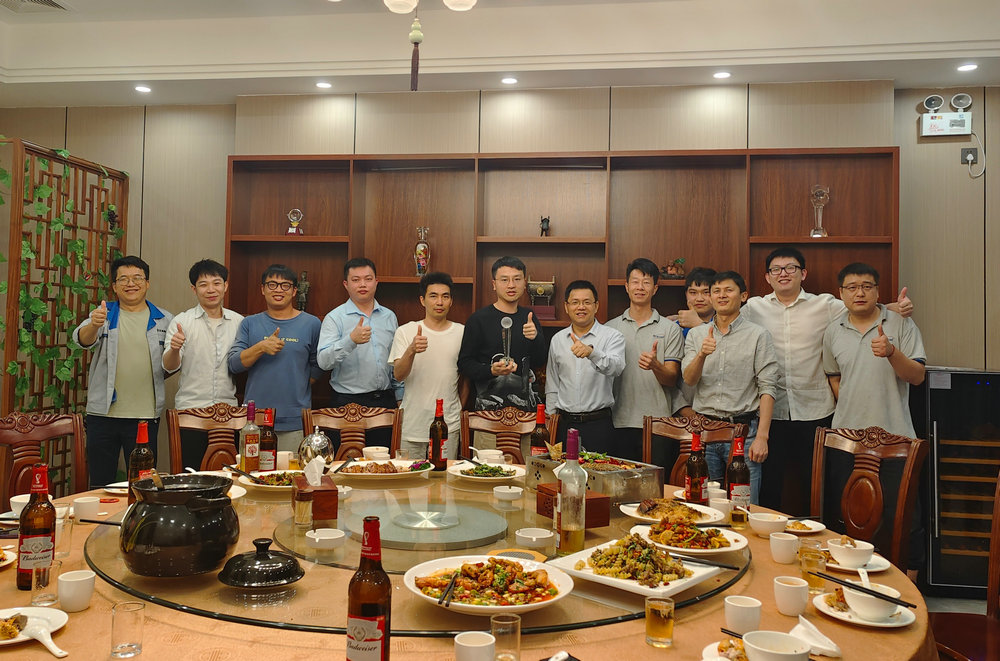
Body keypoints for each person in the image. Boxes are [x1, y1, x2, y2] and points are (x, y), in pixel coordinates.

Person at [743, 247, 914, 514]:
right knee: (770, 486)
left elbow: (862, 305)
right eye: (776, 269)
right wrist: (689, 318)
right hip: (771, 413)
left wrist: (896, 307)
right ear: (767, 277)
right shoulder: (754, 308)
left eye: (791, 268)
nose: (783, 273)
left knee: (816, 486)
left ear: (803, 273)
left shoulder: (825, 305)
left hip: (815, 410)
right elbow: (725, 318)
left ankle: (817, 536)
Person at [72, 255, 173, 487]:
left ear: (147, 283)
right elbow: (83, 340)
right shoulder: (103, 313)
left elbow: (171, 363)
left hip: (144, 416)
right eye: (123, 279)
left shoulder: (165, 319)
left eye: (137, 278)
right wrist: (94, 324)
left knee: (143, 484)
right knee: (100, 483)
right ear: (115, 286)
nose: (131, 284)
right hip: (102, 415)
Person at [682, 270, 779, 504]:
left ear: (743, 296)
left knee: (743, 505)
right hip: (705, 432)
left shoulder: (758, 335)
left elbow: (768, 387)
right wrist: (702, 355)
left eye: (728, 290)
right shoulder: (696, 335)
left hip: (742, 434)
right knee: (703, 504)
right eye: (716, 291)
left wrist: (762, 437)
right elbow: (689, 379)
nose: (721, 295)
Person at [823, 262, 926, 437]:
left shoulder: (902, 323)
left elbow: (918, 377)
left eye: (867, 287)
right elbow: (834, 377)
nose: (860, 293)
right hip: (847, 436)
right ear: (841, 293)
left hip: (894, 435)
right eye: (852, 287)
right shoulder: (833, 330)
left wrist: (892, 352)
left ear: (877, 291)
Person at [227, 265, 322, 451]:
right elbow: (234, 364)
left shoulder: (311, 323)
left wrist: (297, 383)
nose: (278, 290)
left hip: (295, 420)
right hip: (255, 420)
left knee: (293, 469)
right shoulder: (249, 323)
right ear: (262, 289)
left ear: (294, 291)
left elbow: (319, 366)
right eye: (272, 284)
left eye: (285, 285)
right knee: (251, 469)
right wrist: (261, 347)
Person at [162, 259, 244, 470]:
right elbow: (169, 366)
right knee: (190, 475)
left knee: (229, 476)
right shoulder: (182, 322)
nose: (211, 290)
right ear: (194, 289)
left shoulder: (239, 322)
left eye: (216, 283)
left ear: (226, 286)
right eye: (203, 284)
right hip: (191, 414)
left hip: (229, 415)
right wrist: (174, 348)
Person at [606, 258, 683, 462]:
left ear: (655, 288)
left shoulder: (670, 329)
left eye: (646, 282)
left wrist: (655, 366)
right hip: (618, 422)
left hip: (659, 424)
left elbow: (671, 379)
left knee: (656, 481)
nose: (640, 287)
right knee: (620, 481)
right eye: (635, 281)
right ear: (626, 286)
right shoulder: (610, 329)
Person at [316, 258, 399, 448]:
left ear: (376, 282)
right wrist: (350, 340)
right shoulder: (334, 318)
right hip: (347, 403)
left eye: (368, 279)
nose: (362, 284)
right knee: (346, 460)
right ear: (346, 284)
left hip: (385, 401)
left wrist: (400, 396)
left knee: (383, 460)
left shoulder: (389, 316)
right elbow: (323, 361)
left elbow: (395, 360)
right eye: (356, 280)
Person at [388, 272, 465, 460]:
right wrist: (411, 350)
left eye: (445, 296)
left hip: (449, 424)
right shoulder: (405, 331)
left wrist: (459, 408)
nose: (439, 302)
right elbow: (398, 375)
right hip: (412, 425)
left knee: (445, 477)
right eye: (433, 296)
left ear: (451, 301)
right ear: (422, 300)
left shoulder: (462, 332)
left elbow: (467, 377)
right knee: (409, 477)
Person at [545, 280, 626, 454]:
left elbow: (616, 367)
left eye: (587, 302)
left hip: (598, 424)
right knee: (561, 470)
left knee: (599, 470)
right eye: (575, 302)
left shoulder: (612, 336)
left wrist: (592, 353)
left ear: (596, 306)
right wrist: (550, 421)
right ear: (566, 307)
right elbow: (552, 384)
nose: (581, 307)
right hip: (564, 424)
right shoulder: (558, 339)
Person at [457, 256, 547, 412]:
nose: (511, 285)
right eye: (504, 280)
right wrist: (491, 370)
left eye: (517, 279)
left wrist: (535, 338)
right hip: (487, 414)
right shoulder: (478, 319)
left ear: (524, 283)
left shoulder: (529, 318)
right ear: (494, 284)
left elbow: (540, 361)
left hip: (526, 413)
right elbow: (465, 364)